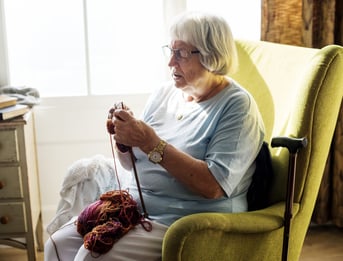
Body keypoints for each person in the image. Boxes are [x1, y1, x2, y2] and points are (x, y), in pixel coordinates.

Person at [44, 11, 265, 261]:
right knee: (57, 244)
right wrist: (125, 138)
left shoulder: (237, 106)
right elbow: (132, 164)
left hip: (189, 221)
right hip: (137, 210)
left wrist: (150, 142)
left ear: (210, 55)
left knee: (92, 255)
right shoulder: (164, 94)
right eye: (170, 51)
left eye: (180, 53)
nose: (170, 62)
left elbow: (213, 186)